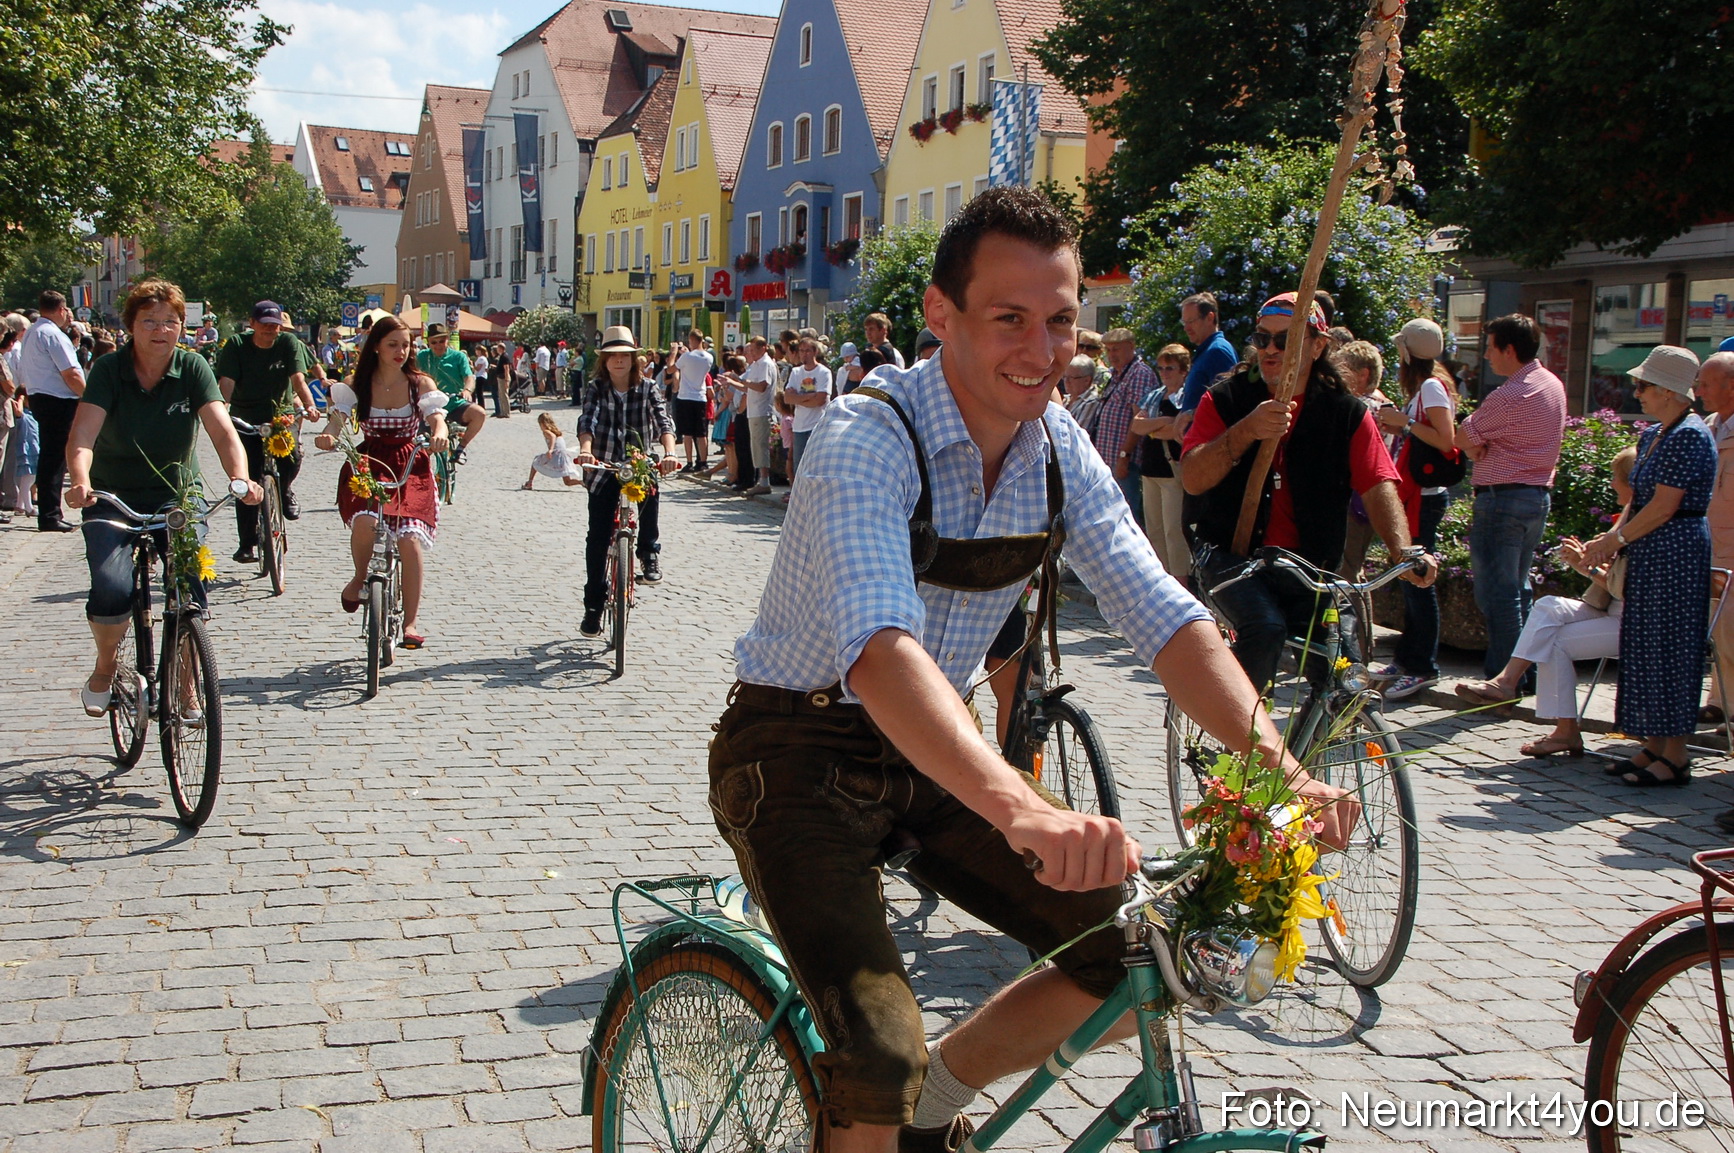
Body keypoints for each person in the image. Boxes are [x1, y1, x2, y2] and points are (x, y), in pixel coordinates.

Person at [711, 188, 1359, 1153]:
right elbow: (882, 654)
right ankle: (897, 1100)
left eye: (1059, 321)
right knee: (880, 1057)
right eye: (1008, 319)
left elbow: (1164, 615)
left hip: (937, 751)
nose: (1041, 348)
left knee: (1128, 944)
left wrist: (1282, 769)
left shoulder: (1058, 448)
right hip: (795, 751)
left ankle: (933, 1120)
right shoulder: (864, 436)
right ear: (941, 315)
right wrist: (1026, 808)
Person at [1180, 292, 1436, 696]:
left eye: (1286, 340)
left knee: (1346, 670)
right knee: (1265, 627)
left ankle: (1319, 744)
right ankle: (1241, 744)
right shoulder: (1226, 399)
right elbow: (1193, 478)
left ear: (1318, 346)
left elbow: (1378, 486)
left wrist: (1403, 552)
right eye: (1262, 338)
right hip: (1232, 555)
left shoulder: (1346, 412)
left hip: (1311, 567)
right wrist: (1247, 429)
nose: (1270, 349)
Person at [60, 279, 262, 716]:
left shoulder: (192, 368)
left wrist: (241, 477)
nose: (161, 330)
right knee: (112, 588)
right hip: (111, 496)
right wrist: (79, 480)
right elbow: (82, 435)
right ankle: (106, 665)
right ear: (130, 325)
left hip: (176, 498)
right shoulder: (109, 371)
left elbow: (222, 430)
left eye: (170, 322)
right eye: (149, 321)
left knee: (191, 585)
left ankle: (186, 683)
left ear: (181, 327)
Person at [1581, 346, 1716, 786]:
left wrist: (1615, 539)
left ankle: (1676, 754)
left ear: (1668, 390)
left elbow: (1664, 506)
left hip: (1676, 549)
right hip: (1650, 548)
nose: (1635, 391)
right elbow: (1638, 501)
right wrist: (1608, 543)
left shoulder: (1690, 435)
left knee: (1672, 646)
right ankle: (1653, 744)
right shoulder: (1656, 433)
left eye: (1642, 385)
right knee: (1644, 645)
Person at [1455, 447, 1637, 757]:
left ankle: (1561, 728)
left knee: (1553, 640)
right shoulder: (1630, 515)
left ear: (1630, 482)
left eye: (1614, 478)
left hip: (1632, 620)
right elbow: (1615, 581)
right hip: (1611, 610)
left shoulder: (1641, 523)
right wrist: (1586, 564)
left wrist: (1587, 568)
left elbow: (1628, 589)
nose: (1611, 484)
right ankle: (1507, 680)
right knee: (1547, 606)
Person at [311, 316, 449, 650]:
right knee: (366, 523)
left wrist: (439, 434)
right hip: (370, 461)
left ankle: (411, 622)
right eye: (393, 344)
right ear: (376, 346)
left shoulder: (419, 384)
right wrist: (328, 437)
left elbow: (436, 419)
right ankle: (361, 578)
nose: (401, 351)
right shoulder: (357, 383)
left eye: (406, 345)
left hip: (409, 463)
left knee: (409, 539)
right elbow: (339, 418)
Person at [1454, 313, 1568, 678]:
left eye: (1490, 348)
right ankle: (1524, 674)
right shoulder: (1551, 383)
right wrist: (1477, 446)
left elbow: (1462, 437)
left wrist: (1476, 447)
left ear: (1509, 350)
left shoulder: (1511, 394)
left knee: (1496, 594)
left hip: (1502, 500)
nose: (1486, 356)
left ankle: (1502, 680)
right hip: (1535, 498)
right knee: (1518, 590)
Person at [1371, 318, 1460, 700]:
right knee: (1408, 578)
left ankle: (1424, 665)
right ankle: (1408, 657)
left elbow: (1445, 439)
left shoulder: (1431, 388)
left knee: (1419, 577)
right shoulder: (1427, 388)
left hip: (1425, 497)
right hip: (1415, 494)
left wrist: (1404, 423)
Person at [575, 326, 680, 634]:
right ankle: (594, 607)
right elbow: (587, 420)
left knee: (651, 487)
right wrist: (585, 451)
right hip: (604, 465)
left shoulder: (648, 388)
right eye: (613, 356)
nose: (619, 362)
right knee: (597, 537)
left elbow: (663, 421)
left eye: (625, 356)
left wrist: (670, 453)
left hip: (637, 463)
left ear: (634, 359)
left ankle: (648, 553)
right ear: (604, 360)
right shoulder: (596, 388)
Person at [216, 301, 319, 562]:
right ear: (252, 324)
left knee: (291, 457)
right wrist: (221, 410)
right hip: (245, 417)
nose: (271, 330)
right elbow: (226, 383)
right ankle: (247, 544)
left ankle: (284, 490)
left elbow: (298, 378)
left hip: (280, 415)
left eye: (275, 325)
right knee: (246, 479)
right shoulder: (237, 346)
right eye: (265, 325)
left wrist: (309, 406)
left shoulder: (288, 343)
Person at [17, 291, 87, 531]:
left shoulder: (33, 332)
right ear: (61, 309)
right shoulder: (52, 334)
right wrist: (88, 397)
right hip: (58, 400)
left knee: (51, 456)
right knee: (55, 458)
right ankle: (50, 515)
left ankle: (49, 512)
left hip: (40, 397)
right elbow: (71, 373)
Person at [1130, 343, 1191, 578]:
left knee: (1173, 532)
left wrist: (1154, 427)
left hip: (1172, 469)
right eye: (1161, 368)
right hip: (1150, 469)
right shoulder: (1154, 395)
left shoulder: (1186, 397)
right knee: (1154, 530)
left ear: (1183, 370)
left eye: (1170, 368)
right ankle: (1161, 579)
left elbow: (1179, 431)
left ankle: (1181, 582)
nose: (1164, 373)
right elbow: (1137, 426)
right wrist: (1164, 421)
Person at [1093, 328, 1147, 525]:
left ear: (1131, 347)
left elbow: (1138, 418)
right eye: (1108, 350)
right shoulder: (1116, 375)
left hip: (1125, 462)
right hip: (1108, 459)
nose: (1111, 355)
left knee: (1126, 518)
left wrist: (1124, 456)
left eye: (1116, 349)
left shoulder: (1138, 374)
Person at [415, 323, 486, 462]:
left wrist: (467, 390)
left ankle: (461, 448)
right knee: (421, 447)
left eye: (441, 341)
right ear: (428, 343)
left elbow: (469, 377)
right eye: (433, 342)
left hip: (453, 402)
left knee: (479, 414)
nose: (438, 345)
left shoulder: (458, 357)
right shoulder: (422, 357)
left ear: (447, 339)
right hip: (429, 406)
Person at [1176, 291, 1237, 431]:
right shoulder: (1207, 351)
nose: (1186, 328)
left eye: (1191, 322)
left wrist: (1189, 415)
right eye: (1184, 322)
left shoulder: (1217, 351)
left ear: (1210, 317)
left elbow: (1226, 403)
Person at [784, 335, 832, 479]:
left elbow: (820, 400)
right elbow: (787, 398)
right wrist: (808, 396)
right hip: (799, 425)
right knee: (799, 466)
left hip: (817, 424)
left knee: (815, 465)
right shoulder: (796, 372)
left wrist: (797, 398)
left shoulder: (823, 372)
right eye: (801, 351)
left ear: (815, 352)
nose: (804, 354)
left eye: (807, 351)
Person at [733, 336, 775, 495]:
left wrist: (745, 382)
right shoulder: (758, 364)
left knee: (760, 446)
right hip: (754, 410)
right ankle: (761, 480)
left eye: (754, 349)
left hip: (761, 410)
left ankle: (764, 481)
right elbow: (750, 388)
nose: (751, 353)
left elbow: (762, 386)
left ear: (763, 348)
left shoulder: (765, 363)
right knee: (755, 447)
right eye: (750, 350)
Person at [671, 328, 714, 472]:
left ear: (692, 340)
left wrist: (674, 352)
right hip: (700, 396)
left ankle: (689, 462)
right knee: (701, 433)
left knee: (687, 433)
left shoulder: (687, 357)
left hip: (685, 396)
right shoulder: (709, 357)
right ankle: (703, 461)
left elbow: (671, 368)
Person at [522, 412, 583, 489]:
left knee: (536, 462)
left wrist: (550, 450)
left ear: (542, 423)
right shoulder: (557, 432)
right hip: (563, 456)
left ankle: (529, 482)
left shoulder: (547, 431)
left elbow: (552, 437)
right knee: (567, 482)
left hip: (556, 454)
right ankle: (581, 482)